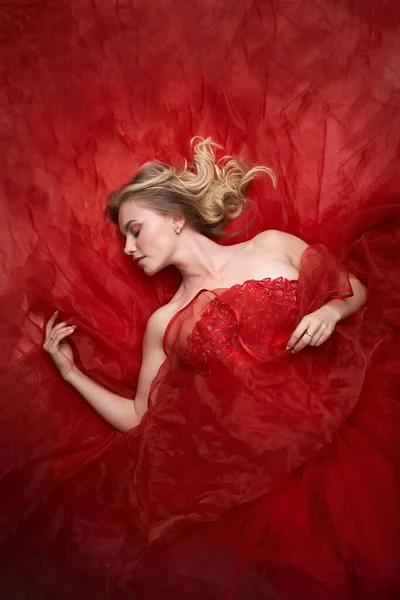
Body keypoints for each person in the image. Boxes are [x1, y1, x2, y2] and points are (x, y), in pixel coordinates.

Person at [40, 138, 400, 600]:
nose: (129, 248)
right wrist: (71, 374)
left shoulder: (271, 245)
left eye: (135, 229)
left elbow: (355, 290)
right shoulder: (165, 322)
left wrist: (329, 313)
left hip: (353, 422)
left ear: (175, 217)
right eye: (124, 238)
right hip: (263, 475)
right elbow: (141, 418)